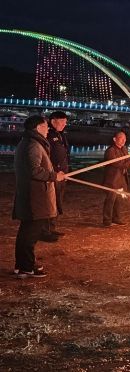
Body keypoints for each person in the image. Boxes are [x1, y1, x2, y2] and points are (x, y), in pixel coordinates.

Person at [12, 115, 66, 278]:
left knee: (26, 232)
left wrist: (54, 174)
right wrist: (54, 176)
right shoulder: (33, 145)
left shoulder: (28, 142)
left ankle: (21, 265)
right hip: (35, 197)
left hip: (32, 195)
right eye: (45, 125)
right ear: (37, 128)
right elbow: (34, 170)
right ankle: (26, 267)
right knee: (30, 234)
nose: (48, 127)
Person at [102, 130, 130, 227]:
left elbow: (128, 159)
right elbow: (116, 163)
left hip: (122, 179)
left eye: (125, 138)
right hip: (112, 180)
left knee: (119, 200)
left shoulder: (124, 149)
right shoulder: (110, 150)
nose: (123, 140)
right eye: (121, 138)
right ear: (114, 139)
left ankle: (116, 218)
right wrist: (129, 165)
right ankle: (107, 220)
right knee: (110, 200)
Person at [45, 111, 70, 238]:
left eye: (65, 122)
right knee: (50, 201)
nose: (64, 124)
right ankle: (46, 230)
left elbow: (64, 154)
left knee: (58, 201)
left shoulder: (61, 134)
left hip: (62, 174)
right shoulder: (48, 135)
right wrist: (54, 171)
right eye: (62, 122)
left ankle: (52, 227)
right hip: (54, 174)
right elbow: (46, 158)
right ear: (53, 121)